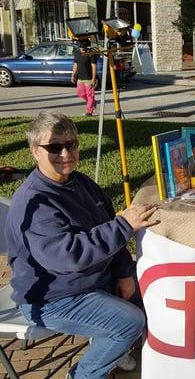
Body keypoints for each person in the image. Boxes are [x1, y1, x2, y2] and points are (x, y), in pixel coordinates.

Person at [5, 111, 159, 379]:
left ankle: (111, 346)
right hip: (53, 297)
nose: (66, 153)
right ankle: (83, 374)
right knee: (128, 322)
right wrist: (124, 225)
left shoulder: (82, 182)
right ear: (34, 152)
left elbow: (111, 228)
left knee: (155, 282)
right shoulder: (35, 202)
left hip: (94, 279)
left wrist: (123, 272)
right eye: (54, 147)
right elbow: (67, 257)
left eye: (71, 144)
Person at [71, 41, 97, 116]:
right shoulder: (77, 53)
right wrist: (73, 75)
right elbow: (75, 65)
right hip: (80, 78)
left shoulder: (90, 53)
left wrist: (93, 78)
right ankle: (92, 102)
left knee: (90, 96)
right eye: (81, 47)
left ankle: (89, 111)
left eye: (83, 48)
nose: (82, 49)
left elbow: (93, 66)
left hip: (88, 79)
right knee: (80, 93)